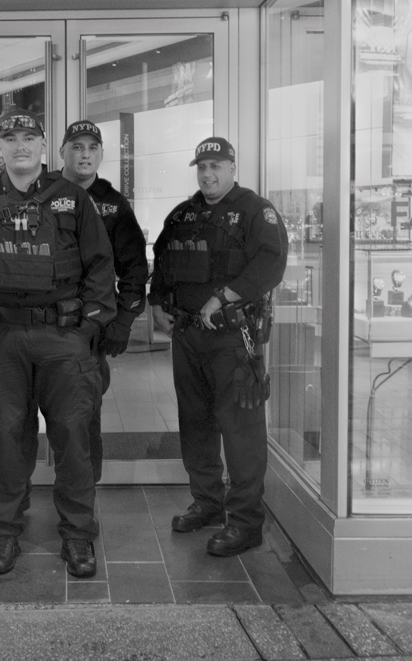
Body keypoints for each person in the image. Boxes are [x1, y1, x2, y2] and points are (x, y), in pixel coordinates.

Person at [0, 109, 116, 578]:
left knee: (71, 433)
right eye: (10, 138)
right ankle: (4, 530)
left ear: (44, 148)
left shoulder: (71, 199)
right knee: (5, 434)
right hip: (3, 339)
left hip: (64, 338)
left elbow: (100, 267)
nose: (20, 146)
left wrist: (86, 328)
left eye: (29, 138)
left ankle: (78, 535)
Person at [149, 136, 288, 558]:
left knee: (240, 431)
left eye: (216, 166)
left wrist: (225, 296)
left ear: (232, 167)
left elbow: (271, 263)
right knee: (196, 423)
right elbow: (163, 259)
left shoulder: (254, 210)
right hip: (188, 337)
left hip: (233, 339)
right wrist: (157, 302)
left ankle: (246, 523)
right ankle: (207, 504)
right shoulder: (184, 214)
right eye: (202, 167)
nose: (208, 174)